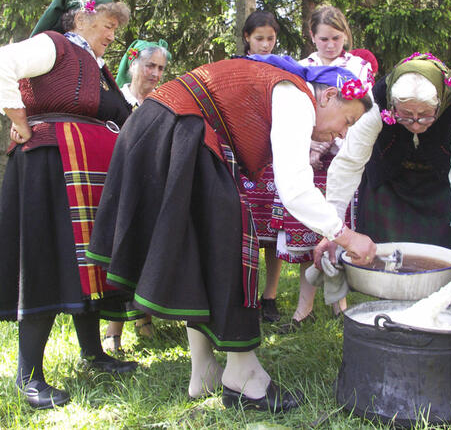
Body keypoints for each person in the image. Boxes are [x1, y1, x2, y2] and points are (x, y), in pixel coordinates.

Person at [86, 54, 376, 411]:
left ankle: (204, 370)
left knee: (198, 248)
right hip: (178, 128)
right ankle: (245, 378)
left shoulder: (285, 89)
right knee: (232, 246)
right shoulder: (297, 95)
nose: (343, 133)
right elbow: (296, 189)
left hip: (161, 128)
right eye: (347, 120)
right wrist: (346, 236)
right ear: (329, 95)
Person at [0, 0, 137, 410]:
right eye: (108, 23)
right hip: (51, 168)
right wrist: (18, 117)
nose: (113, 33)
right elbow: (4, 60)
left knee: (87, 265)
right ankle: (29, 376)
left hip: (86, 173)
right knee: (45, 259)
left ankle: (93, 353)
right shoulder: (54, 44)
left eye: (116, 26)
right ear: (81, 17)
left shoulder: (96, 65)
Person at [317, 51, 451, 304]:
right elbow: (348, 164)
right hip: (388, 185)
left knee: (444, 269)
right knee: (383, 268)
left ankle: (445, 319)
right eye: (405, 116)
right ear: (392, 106)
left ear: (440, 104)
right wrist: (332, 231)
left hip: (439, 189)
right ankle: (383, 321)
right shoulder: (376, 100)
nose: (416, 125)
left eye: (426, 115)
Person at [277, 5, 374, 332]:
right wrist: (311, 148)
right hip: (308, 161)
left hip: (342, 160)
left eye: (335, 38)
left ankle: (339, 302)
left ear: (345, 36)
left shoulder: (358, 69)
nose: (330, 45)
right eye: (323, 39)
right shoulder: (303, 67)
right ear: (312, 37)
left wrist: (330, 145)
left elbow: (358, 118)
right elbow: (299, 116)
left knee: (336, 231)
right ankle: (303, 308)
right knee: (310, 229)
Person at [102, 39, 171, 352]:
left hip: (151, 188)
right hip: (118, 189)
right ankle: (112, 332)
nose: (155, 73)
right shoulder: (116, 99)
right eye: (150, 65)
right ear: (133, 65)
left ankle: (144, 320)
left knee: (147, 251)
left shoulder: (162, 102)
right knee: (120, 253)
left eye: (160, 68)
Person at [238, 11, 284, 323]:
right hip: (243, 155)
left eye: (270, 38)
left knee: (272, 228)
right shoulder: (236, 68)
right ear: (247, 38)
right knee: (244, 227)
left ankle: (269, 296)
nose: (266, 44)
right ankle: (244, 294)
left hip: (274, 155)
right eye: (259, 38)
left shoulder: (282, 68)